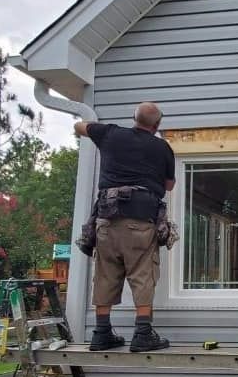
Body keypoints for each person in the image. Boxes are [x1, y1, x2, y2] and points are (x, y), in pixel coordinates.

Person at [74, 102, 175, 352]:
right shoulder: (161, 147)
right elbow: (169, 185)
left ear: (134, 118)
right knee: (143, 273)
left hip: (105, 220)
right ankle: (142, 333)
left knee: (106, 272)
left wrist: (97, 131)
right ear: (157, 125)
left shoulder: (111, 133)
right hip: (139, 219)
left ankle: (101, 333)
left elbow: (79, 126)